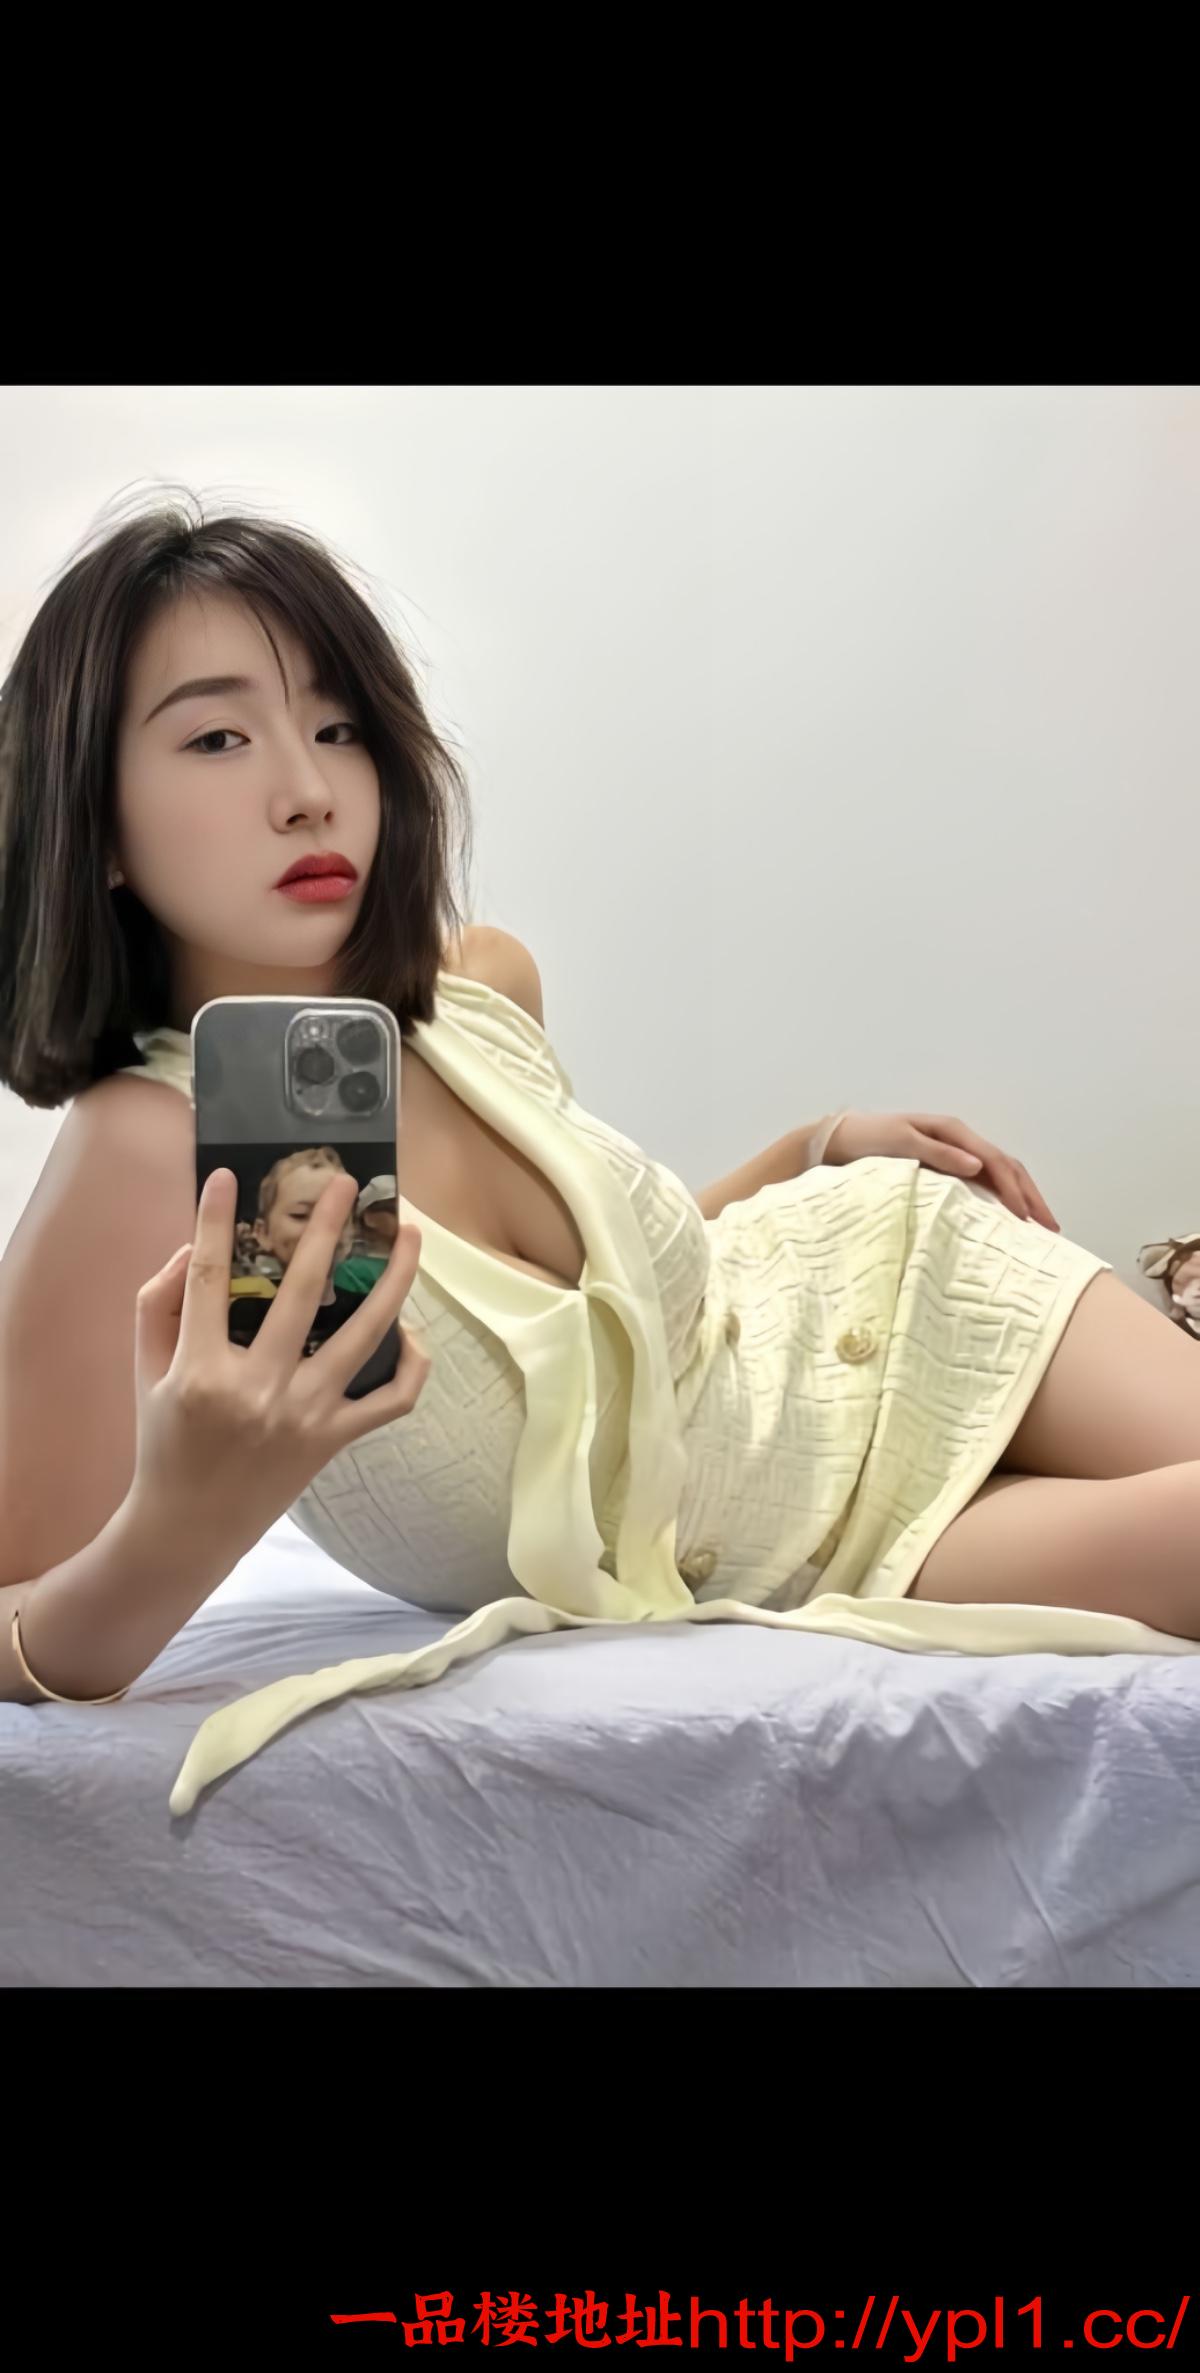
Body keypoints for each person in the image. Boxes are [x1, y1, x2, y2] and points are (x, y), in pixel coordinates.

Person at [2, 492, 1198, 1821]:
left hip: (912, 1294)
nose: (309, 792)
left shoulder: (478, 987)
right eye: (218, 738)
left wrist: (810, 1151)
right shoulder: (139, 1154)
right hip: (791, 1553)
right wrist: (178, 1521)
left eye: (338, 727)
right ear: (94, 822)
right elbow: (16, 1629)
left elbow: (611, 1318)